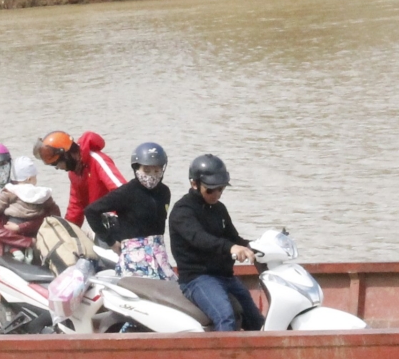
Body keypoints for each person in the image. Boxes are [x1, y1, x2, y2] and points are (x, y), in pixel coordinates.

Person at [168, 153, 265, 332]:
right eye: (211, 189)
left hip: (225, 276)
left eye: (221, 189)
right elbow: (200, 239)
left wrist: (256, 246)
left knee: (255, 319)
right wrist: (231, 248)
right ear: (194, 184)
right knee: (225, 316)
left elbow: (233, 238)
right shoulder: (182, 211)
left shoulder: (219, 209)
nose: (217, 194)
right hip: (197, 279)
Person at [83, 141, 172, 245]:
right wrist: (110, 241)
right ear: (136, 169)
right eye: (146, 171)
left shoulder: (164, 192)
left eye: (157, 171)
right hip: (133, 252)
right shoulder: (126, 192)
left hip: (158, 250)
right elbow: (91, 211)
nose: (152, 176)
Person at [34, 130, 124, 225]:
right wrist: (68, 230)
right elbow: (76, 206)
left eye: (58, 163)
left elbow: (122, 190)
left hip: (119, 220)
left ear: (67, 155)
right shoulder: (74, 173)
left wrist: (107, 213)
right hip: (101, 224)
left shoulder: (96, 160)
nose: (58, 168)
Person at [0, 157, 60, 260]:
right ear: (30, 178)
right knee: (36, 235)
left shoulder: (12, 190)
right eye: (35, 177)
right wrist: (57, 217)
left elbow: (2, 201)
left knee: (8, 231)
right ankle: (30, 250)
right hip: (34, 221)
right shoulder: (40, 193)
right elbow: (52, 206)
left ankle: (15, 250)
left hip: (16, 220)